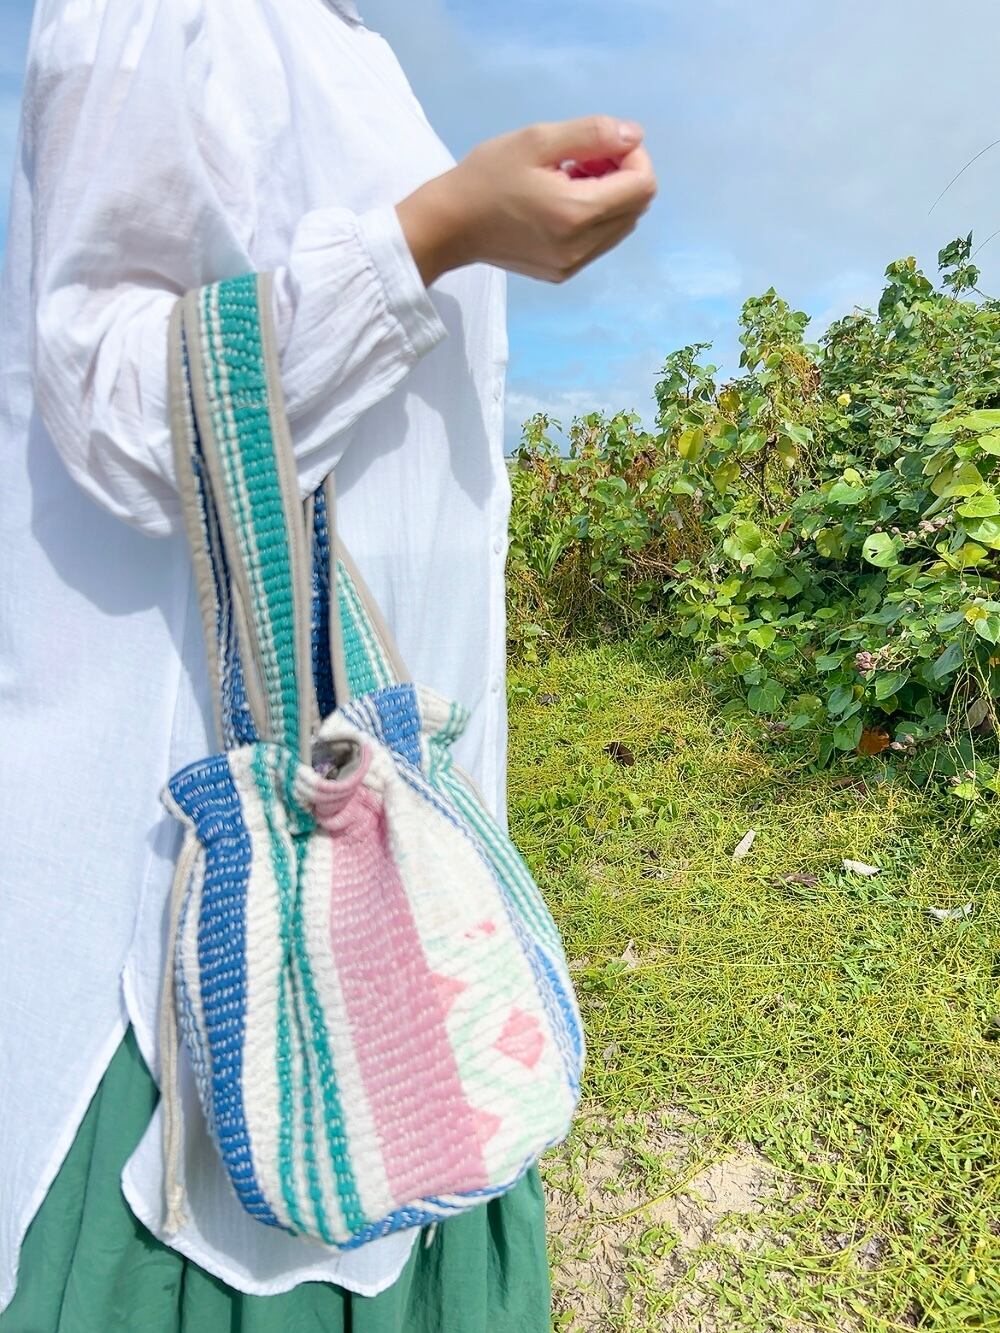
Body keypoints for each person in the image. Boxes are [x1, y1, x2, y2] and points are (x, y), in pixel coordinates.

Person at [0, 1, 656, 1329]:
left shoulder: (355, 48)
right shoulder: (158, 15)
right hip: (210, 911)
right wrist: (434, 236)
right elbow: (116, 402)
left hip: (393, 864)